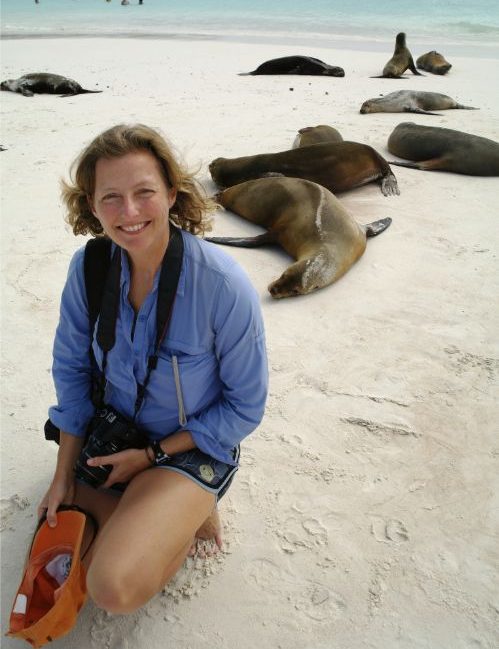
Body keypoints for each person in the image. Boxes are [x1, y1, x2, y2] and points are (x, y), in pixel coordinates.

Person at [39, 124, 268, 614]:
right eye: (111, 198)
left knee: (111, 587)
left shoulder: (222, 285)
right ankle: (144, 509)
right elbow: (72, 375)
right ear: (92, 205)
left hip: (188, 443)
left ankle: (194, 508)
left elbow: (246, 407)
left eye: (144, 193)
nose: (130, 213)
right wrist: (61, 474)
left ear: (171, 193)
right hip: (115, 431)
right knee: (58, 525)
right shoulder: (90, 268)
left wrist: (153, 456)